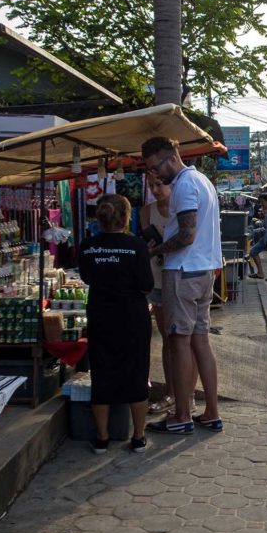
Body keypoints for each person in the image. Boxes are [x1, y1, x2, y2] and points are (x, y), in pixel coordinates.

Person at [141, 137, 224, 435]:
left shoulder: (185, 185)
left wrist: (154, 250)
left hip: (184, 272)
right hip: (202, 271)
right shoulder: (202, 181)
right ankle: (211, 412)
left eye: (155, 168)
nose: (155, 175)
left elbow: (186, 234)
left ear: (170, 158)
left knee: (178, 343)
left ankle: (182, 415)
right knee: (200, 341)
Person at [78, 194, 154, 454]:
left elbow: (87, 278)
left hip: (101, 316)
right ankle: (139, 436)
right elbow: (146, 285)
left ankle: (102, 438)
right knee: (137, 373)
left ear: (100, 218)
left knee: (102, 374)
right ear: (125, 217)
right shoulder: (137, 246)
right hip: (133, 317)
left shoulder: (87, 246)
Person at [141, 174, 177, 416]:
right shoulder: (147, 211)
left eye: (159, 185)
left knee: (183, 339)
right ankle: (171, 394)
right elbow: (145, 246)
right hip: (156, 280)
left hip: (179, 279)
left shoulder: (182, 209)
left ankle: (179, 394)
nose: (155, 189)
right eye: (151, 185)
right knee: (167, 339)